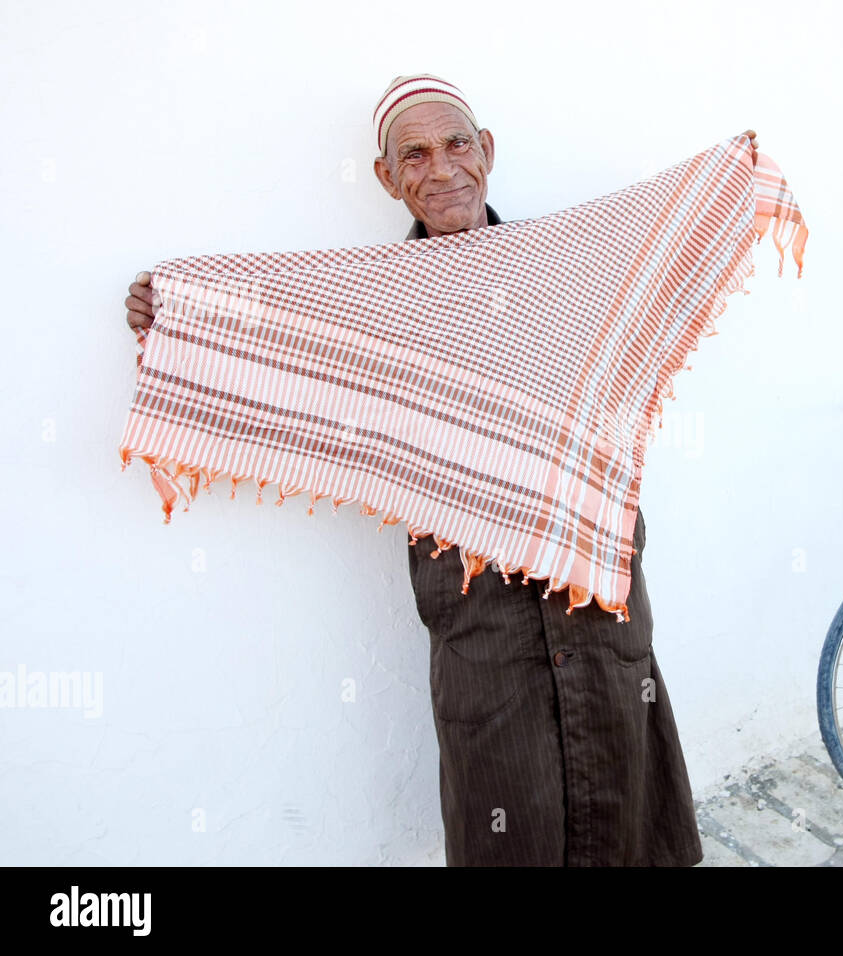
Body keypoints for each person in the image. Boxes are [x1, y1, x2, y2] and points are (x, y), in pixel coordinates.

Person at [124, 75, 754, 867]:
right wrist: (176, 314)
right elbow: (274, 331)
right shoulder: (375, 303)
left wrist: (729, 175)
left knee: (622, 774)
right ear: (388, 178)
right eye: (413, 154)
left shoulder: (563, 270)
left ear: (487, 151)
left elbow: (659, 251)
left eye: (457, 143)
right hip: (476, 598)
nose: (442, 168)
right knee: (504, 800)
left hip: (591, 576)